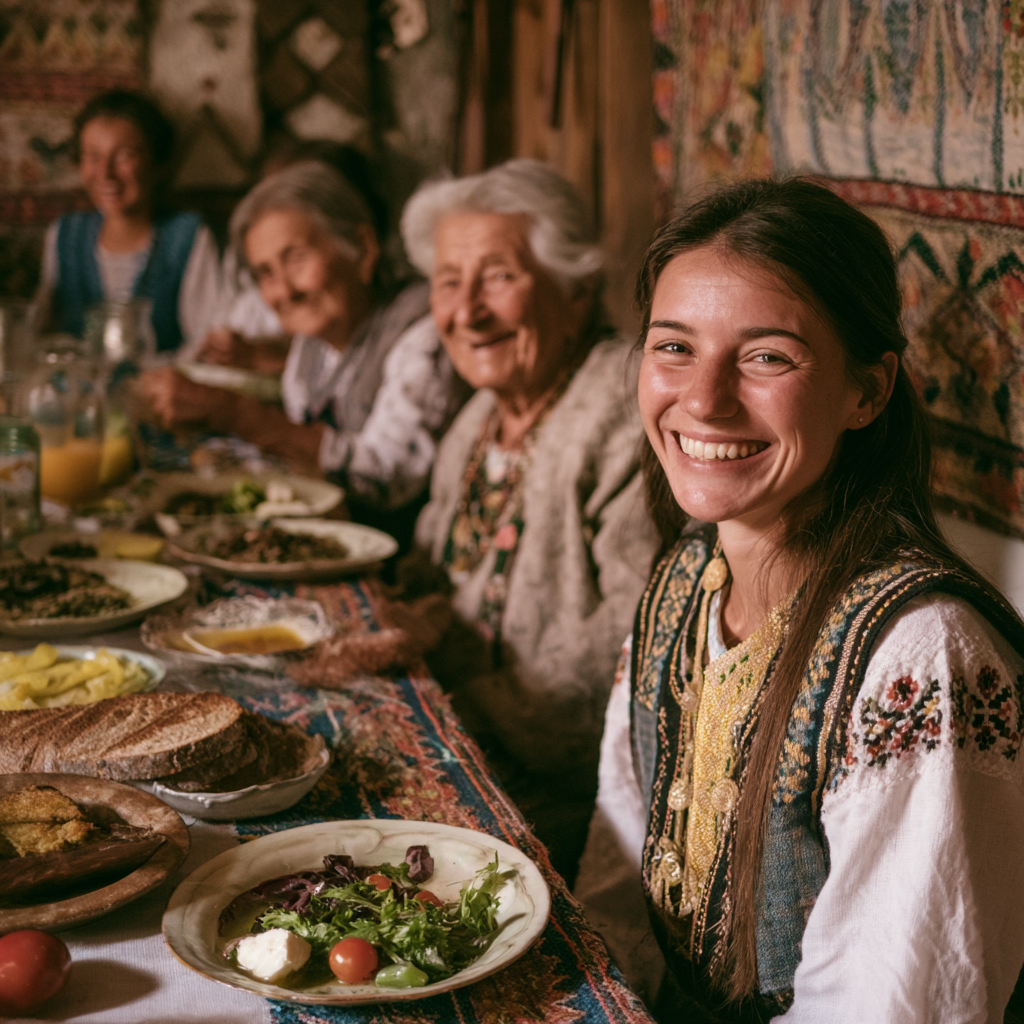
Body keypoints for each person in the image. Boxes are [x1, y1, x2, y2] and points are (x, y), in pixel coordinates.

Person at [574, 177, 1024, 1022]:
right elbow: (617, 864)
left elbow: (893, 1005)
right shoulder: (683, 580)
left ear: (867, 391)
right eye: (674, 347)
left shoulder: (922, 659)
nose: (703, 399)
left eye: (767, 356)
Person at [400, 160, 658, 880]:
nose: (467, 311)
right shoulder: (482, 415)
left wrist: (467, 709)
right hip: (459, 741)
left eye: (498, 277)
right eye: (449, 281)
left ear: (574, 292)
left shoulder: (621, 406)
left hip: (553, 792)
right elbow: (429, 564)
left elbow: (633, 633)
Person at [141, 161, 467, 519]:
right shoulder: (314, 339)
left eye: (296, 259)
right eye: (265, 273)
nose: (283, 291)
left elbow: (386, 477)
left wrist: (234, 413)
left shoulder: (424, 331)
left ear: (363, 247)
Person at [36, 90, 221, 354]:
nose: (105, 174)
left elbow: (207, 340)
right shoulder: (64, 235)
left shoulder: (189, 236)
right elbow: (44, 332)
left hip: (163, 389)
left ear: (157, 164)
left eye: (124, 156)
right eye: (93, 156)